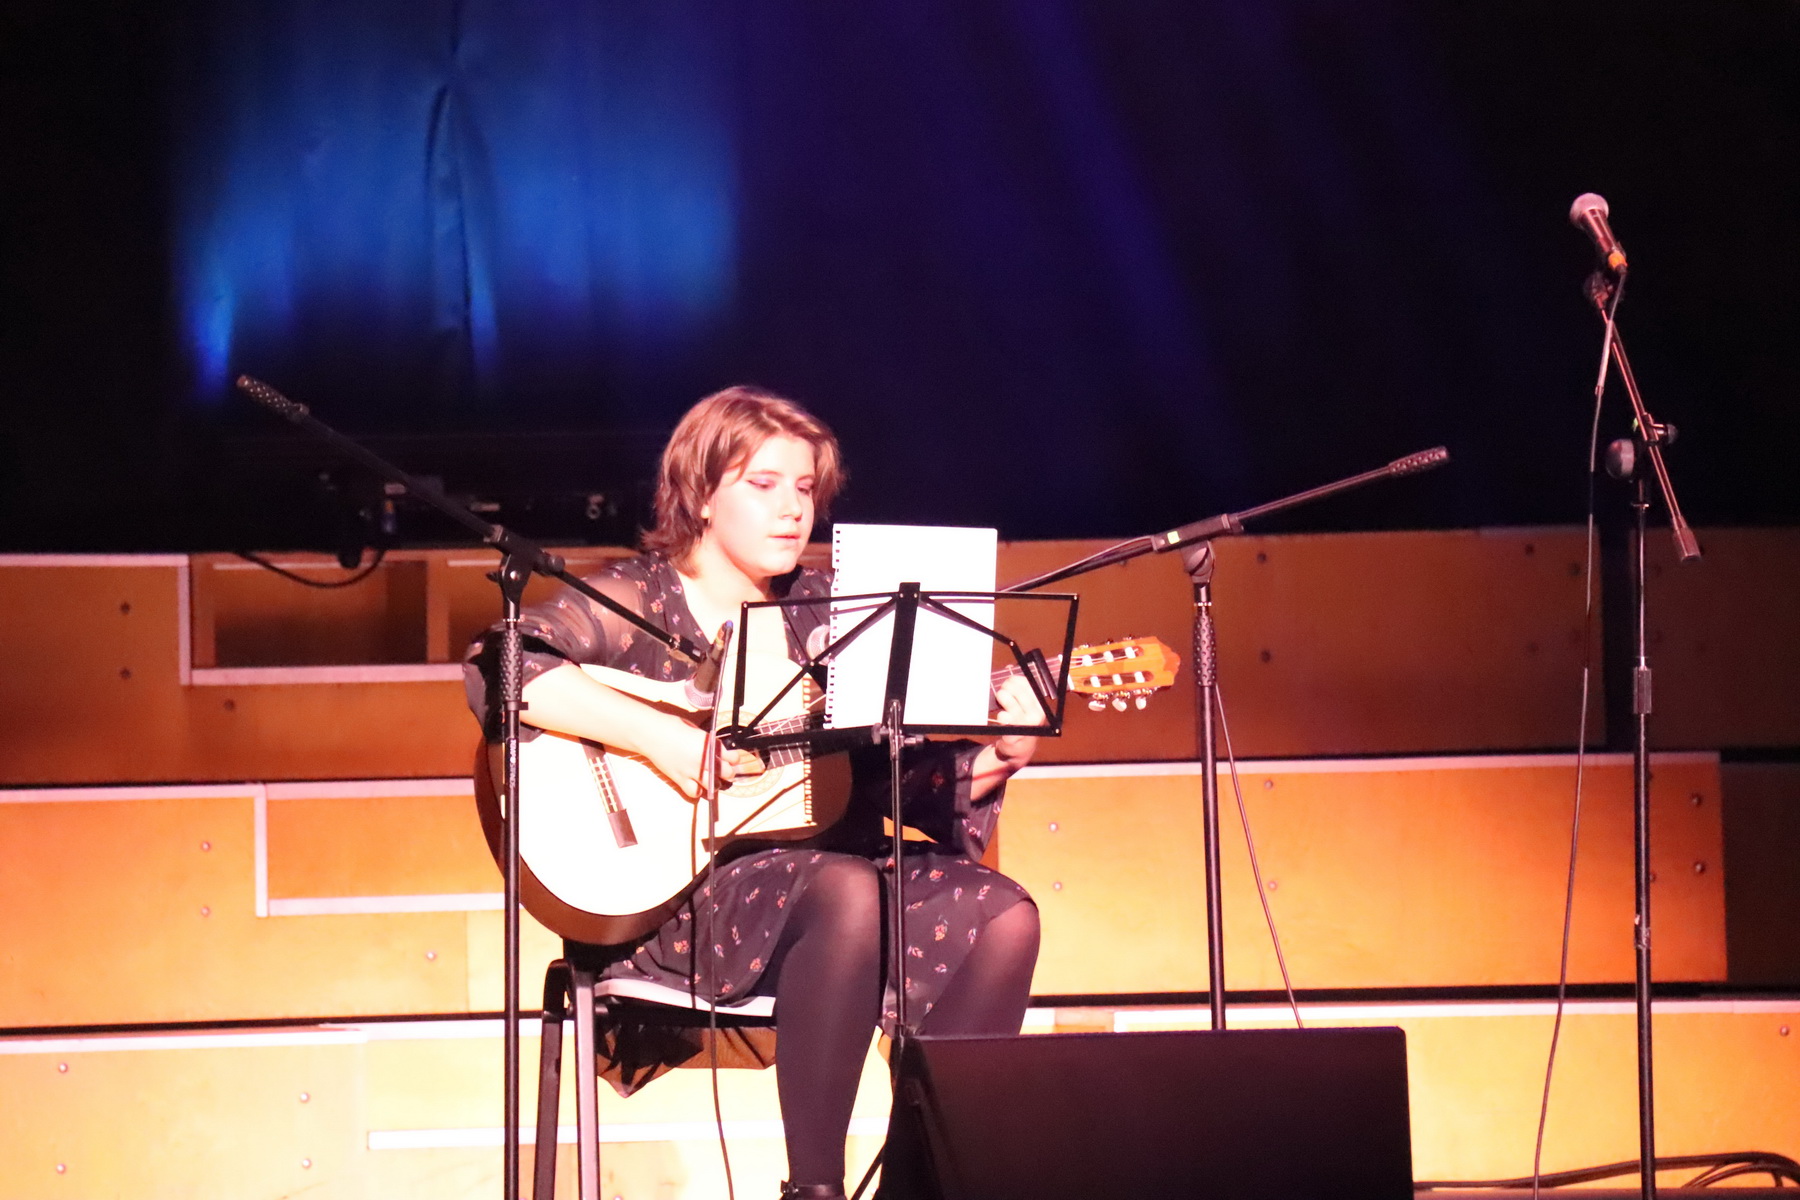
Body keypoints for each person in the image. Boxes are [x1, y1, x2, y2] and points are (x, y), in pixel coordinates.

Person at [465, 385, 1042, 1200]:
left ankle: (924, 1184)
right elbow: (502, 666)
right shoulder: (640, 597)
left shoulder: (825, 613)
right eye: (763, 485)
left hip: (825, 880)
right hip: (681, 896)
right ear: (700, 496)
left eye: (804, 488)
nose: (792, 509)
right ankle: (815, 1189)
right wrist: (667, 740)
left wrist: (1001, 754)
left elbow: (880, 781)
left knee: (1003, 915)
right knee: (846, 889)